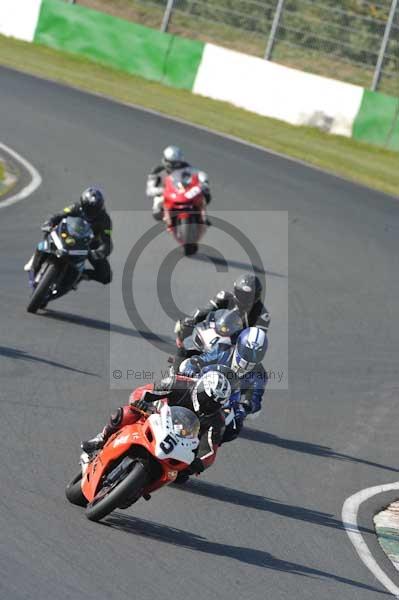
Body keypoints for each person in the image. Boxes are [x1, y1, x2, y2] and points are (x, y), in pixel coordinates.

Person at [81, 371, 231, 484]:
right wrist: (141, 402)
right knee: (125, 413)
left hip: (183, 442)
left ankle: (141, 485)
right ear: (200, 389)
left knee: (181, 477)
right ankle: (101, 438)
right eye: (207, 399)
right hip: (156, 419)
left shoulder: (217, 420)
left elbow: (210, 450)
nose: (209, 405)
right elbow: (142, 391)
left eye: (215, 404)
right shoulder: (179, 383)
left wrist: (199, 463)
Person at [180, 327, 268, 438]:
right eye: (248, 351)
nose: (250, 357)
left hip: (227, 403)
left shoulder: (260, 374)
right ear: (239, 344)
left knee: (235, 427)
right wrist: (192, 368)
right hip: (203, 386)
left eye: (256, 354)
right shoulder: (223, 350)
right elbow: (201, 360)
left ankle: (209, 446)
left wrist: (244, 409)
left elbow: (254, 400)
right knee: (182, 371)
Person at [175, 273, 270, 363]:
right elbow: (205, 311)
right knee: (189, 338)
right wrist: (190, 321)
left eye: (249, 296)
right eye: (242, 295)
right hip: (216, 333)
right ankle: (175, 371)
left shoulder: (262, 315)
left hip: (236, 347)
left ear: (257, 296)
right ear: (236, 291)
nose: (245, 299)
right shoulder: (224, 297)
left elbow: (258, 340)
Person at [25, 187, 113, 284]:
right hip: (68, 235)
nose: (90, 212)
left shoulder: (105, 220)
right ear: (83, 204)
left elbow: (107, 242)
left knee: (106, 276)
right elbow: (59, 215)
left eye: (93, 210)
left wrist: (99, 252)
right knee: (49, 232)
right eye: (87, 209)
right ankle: (36, 258)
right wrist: (49, 222)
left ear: (100, 208)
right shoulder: (77, 207)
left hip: (88, 245)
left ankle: (80, 275)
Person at [146, 145, 211, 220]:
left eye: (178, 162)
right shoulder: (157, 171)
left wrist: (204, 181)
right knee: (157, 211)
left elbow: (199, 173)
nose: (176, 165)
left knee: (204, 194)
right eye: (173, 163)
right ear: (166, 160)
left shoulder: (186, 167)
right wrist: (162, 190)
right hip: (167, 193)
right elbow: (149, 189)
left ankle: (203, 216)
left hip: (185, 192)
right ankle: (168, 218)